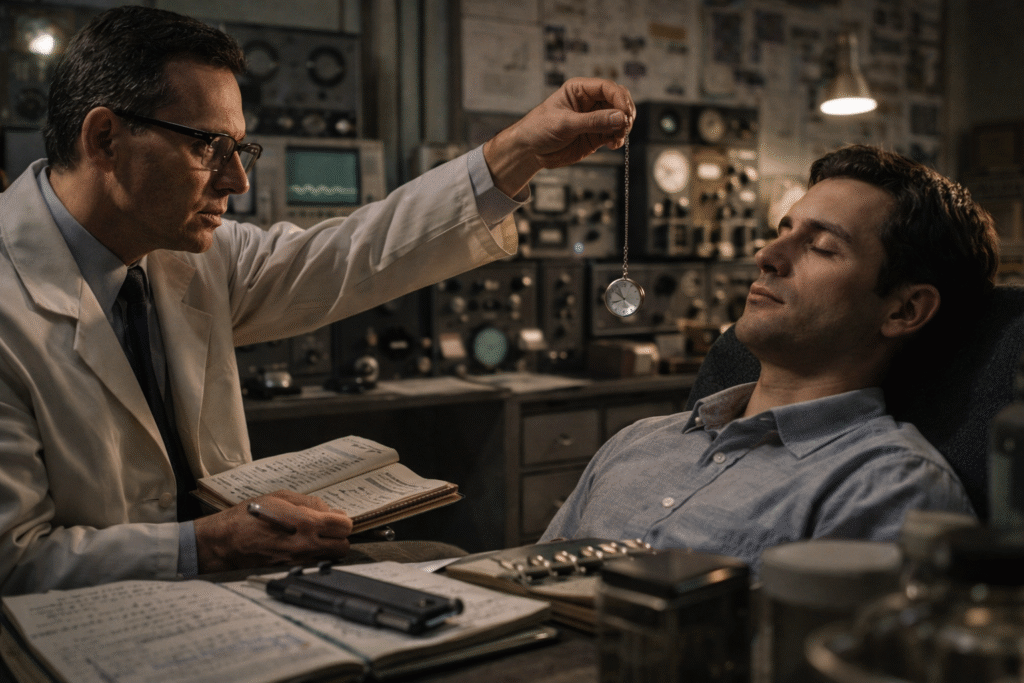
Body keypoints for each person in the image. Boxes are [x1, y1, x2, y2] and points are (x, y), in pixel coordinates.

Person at [0, 5, 634, 595]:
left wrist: (518, 150)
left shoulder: (188, 255)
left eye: (240, 149)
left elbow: (352, 254)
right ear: (106, 139)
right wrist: (203, 548)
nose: (237, 180)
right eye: (207, 147)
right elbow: (14, 562)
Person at [541, 144, 1000, 569]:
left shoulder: (888, 487)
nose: (766, 255)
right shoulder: (637, 441)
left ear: (904, 309)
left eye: (823, 247)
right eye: (782, 231)